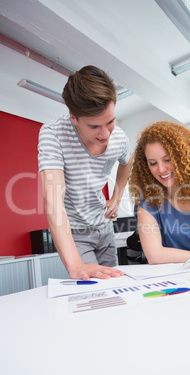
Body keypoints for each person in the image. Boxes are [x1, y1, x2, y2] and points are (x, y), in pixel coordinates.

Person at [38, 65, 132, 280]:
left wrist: (116, 198)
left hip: (105, 226)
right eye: (94, 126)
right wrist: (75, 265)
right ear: (74, 117)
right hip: (76, 233)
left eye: (110, 122)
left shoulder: (118, 138)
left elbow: (128, 162)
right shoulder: (53, 134)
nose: (105, 134)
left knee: (114, 286)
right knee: (94, 290)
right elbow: (53, 200)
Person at [129, 121, 190, 268]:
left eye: (167, 160)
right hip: (175, 275)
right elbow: (154, 255)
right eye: (153, 163)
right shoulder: (148, 202)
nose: (161, 169)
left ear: (184, 157)